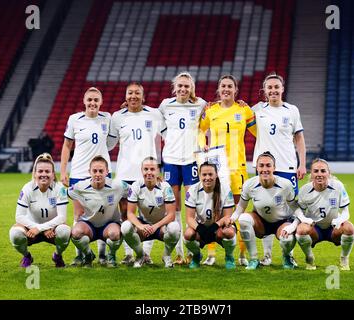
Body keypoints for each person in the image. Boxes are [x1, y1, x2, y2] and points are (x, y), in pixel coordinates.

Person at [198, 74, 256, 266]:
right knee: (213, 212)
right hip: (216, 169)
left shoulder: (244, 109)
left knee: (238, 212)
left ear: (235, 89)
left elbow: (259, 132)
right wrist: (203, 144)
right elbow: (199, 130)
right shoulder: (210, 110)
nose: (226, 89)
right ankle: (211, 254)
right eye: (223, 86)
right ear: (218, 89)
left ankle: (241, 254)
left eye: (230, 86)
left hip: (237, 168)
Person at [251, 72, 306, 266]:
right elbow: (236, 118)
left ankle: (287, 253)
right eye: (270, 87)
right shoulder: (257, 110)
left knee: (289, 211)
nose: (273, 90)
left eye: (276, 87)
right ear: (264, 91)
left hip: (287, 166)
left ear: (282, 89)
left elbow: (299, 138)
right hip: (265, 168)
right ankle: (266, 255)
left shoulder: (292, 110)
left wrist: (302, 163)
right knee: (265, 209)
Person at [109, 82, 164, 265]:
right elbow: (109, 144)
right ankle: (128, 253)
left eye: (137, 93)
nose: (133, 96)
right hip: (125, 173)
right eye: (130, 93)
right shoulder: (117, 117)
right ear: (125, 97)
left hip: (147, 173)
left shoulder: (154, 114)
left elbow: (169, 135)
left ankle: (145, 253)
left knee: (149, 214)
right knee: (125, 214)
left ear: (143, 96)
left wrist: (160, 168)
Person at [60, 87, 113, 266]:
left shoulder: (108, 118)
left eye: (96, 100)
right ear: (84, 101)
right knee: (79, 213)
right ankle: (82, 254)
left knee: (103, 213)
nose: (92, 103)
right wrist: (63, 171)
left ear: (101, 102)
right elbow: (67, 146)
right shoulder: (74, 119)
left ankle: (103, 254)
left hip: (102, 173)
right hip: (79, 173)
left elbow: (113, 141)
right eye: (89, 99)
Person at [159, 71, 207, 264]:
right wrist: (170, 138)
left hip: (191, 160)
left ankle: (192, 249)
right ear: (174, 87)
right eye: (180, 86)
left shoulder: (200, 103)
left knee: (191, 205)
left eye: (186, 86)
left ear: (191, 88)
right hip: (170, 159)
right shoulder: (165, 105)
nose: (183, 89)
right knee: (174, 206)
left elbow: (212, 114)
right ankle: (178, 251)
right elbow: (159, 124)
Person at [231, 152, 299, 270]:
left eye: (268, 165)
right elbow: (241, 207)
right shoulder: (249, 185)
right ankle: (254, 259)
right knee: (243, 219)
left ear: (274, 167)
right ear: (257, 168)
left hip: (282, 222)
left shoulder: (285, 185)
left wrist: (295, 225)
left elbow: (295, 208)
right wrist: (232, 218)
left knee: (287, 239)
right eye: (261, 166)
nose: (265, 169)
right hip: (261, 222)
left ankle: (287, 257)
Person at [9, 153, 71, 268]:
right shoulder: (27, 188)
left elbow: (62, 217)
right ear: (35, 173)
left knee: (65, 231)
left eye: (47, 172)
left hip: (52, 229)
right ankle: (27, 256)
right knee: (15, 234)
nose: (44, 174)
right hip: (31, 228)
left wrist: (42, 228)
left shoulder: (60, 188)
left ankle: (57, 255)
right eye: (40, 171)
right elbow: (19, 216)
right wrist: (37, 228)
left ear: (53, 174)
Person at [295, 159, 354, 270]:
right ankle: (309, 259)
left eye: (323, 171)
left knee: (349, 228)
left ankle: (344, 258)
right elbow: (298, 210)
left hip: (333, 229)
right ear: (311, 174)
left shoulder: (338, 186)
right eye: (316, 171)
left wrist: (339, 220)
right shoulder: (304, 190)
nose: (319, 174)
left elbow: (346, 211)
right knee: (301, 230)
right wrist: (304, 219)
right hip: (315, 229)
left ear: (329, 173)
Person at [68, 156, 128, 267]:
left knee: (115, 234)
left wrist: (157, 184)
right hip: (88, 225)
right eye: (94, 171)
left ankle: (111, 255)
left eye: (101, 171)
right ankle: (88, 254)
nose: (97, 174)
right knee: (75, 233)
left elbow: (136, 191)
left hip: (109, 225)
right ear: (89, 172)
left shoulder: (118, 185)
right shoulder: (80, 186)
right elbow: (64, 192)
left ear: (107, 172)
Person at [121, 157, 180, 268]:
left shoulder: (165, 187)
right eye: (146, 169)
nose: (149, 172)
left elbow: (171, 215)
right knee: (125, 227)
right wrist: (141, 226)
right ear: (141, 170)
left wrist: (155, 226)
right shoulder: (136, 186)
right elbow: (130, 213)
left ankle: (166, 255)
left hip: (161, 226)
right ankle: (140, 255)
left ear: (158, 171)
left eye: (152, 169)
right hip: (143, 226)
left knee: (175, 228)